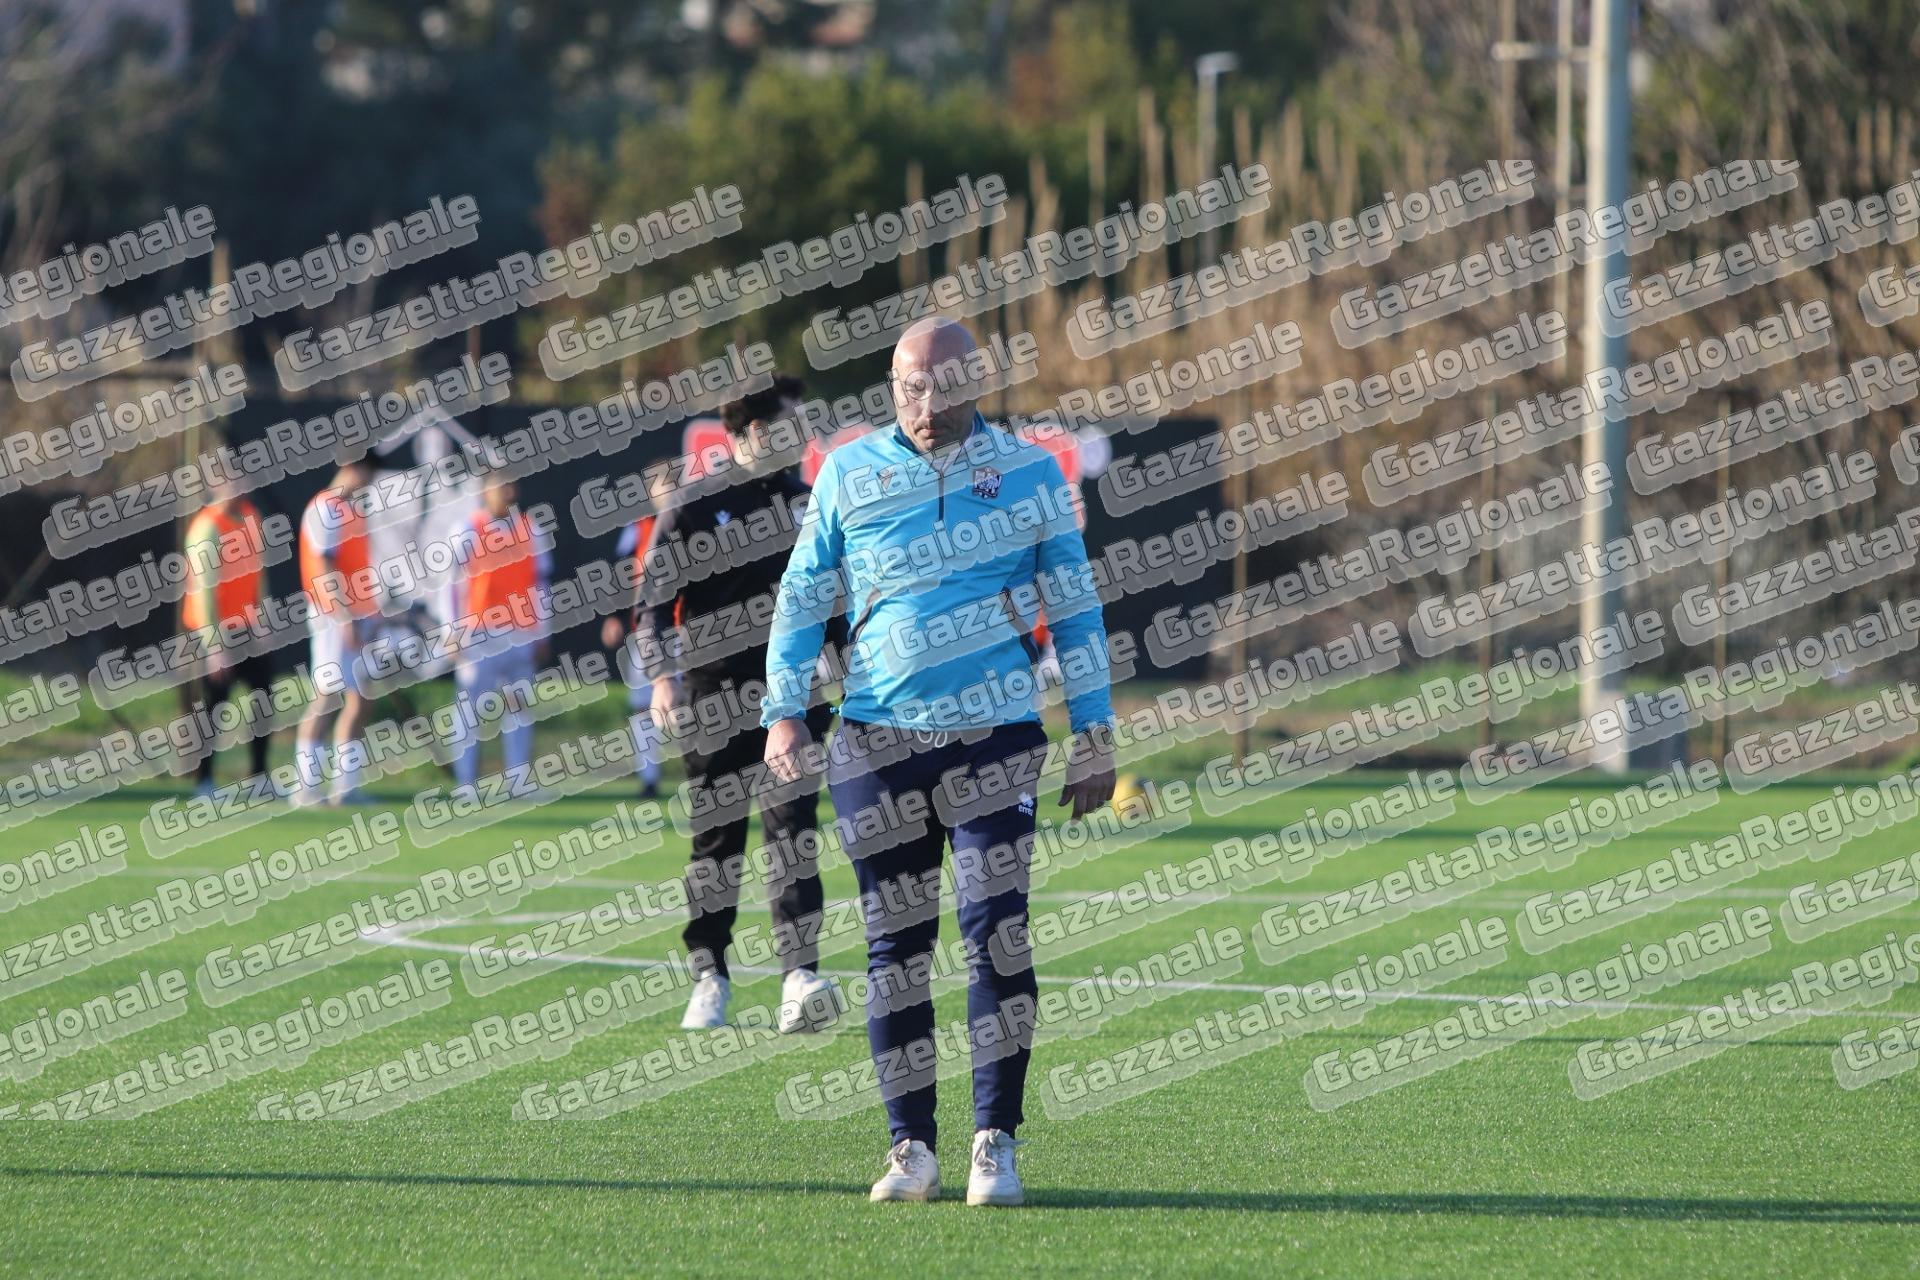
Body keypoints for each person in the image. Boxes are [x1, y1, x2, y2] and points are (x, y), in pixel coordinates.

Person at [762, 318, 1116, 1208]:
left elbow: (1075, 607)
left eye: (943, 386)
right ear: (892, 385)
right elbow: (802, 594)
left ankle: (994, 1142)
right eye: (909, 387)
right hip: (876, 742)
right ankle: (910, 1148)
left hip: (995, 737)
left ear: (977, 383)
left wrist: (1095, 730)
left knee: (996, 930)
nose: (926, 404)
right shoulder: (848, 471)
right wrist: (784, 712)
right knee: (896, 948)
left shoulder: (1031, 473)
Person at [626, 374, 844, 1034]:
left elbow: (835, 603)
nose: (805, 436)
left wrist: (849, 672)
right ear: (755, 431)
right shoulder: (695, 503)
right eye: (792, 423)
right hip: (714, 698)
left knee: (793, 834)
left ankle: (798, 979)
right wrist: (661, 678)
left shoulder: (810, 502)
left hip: (795, 702)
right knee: (716, 843)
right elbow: (653, 604)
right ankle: (709, 977)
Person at [448, 474, 553, 794]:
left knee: (518, 705)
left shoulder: (531, 529)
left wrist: (544, 633)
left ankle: (519, 781)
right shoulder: (468, 529)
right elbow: (450, 585)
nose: (506, 492)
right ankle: (465, 784)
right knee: (469, 708)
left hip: (521, 631)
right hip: (479, 631)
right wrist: (451, 630)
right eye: (499, 486)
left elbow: (542, 584)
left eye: (510, 485)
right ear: (485, 491)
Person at [295, 458, 379, 806]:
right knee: (326, 698)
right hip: (333, 617)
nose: (368, 482)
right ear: (352, 469)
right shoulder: (325, 508)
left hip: (357, 616)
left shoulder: (351, 510)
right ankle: (305, 786)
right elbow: (326, 565)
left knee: (362, 699)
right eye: (367, 473)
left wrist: (370, 612)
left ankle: (345, 787)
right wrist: (344, 618)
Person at [181, 478, 272, 795]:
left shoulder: (251, 516)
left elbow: (258, 574)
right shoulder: (207, 527)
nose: (242, 489)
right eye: (235, 483)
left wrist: (262, 621)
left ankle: (258, 777)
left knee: (263, 700)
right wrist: (214, 646)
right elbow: (204, 591)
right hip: (216, 633)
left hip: (247, 628)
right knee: (213, 708)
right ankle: (204, 782)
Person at [603, 513, 663, 800]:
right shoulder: (638, 527)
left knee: (697, 702)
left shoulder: (694, 515)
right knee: (643, 705)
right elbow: (621, 571)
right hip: (646, 628)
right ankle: (648, 778)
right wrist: (615, 615)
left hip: (687, 627)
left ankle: (705, 776)